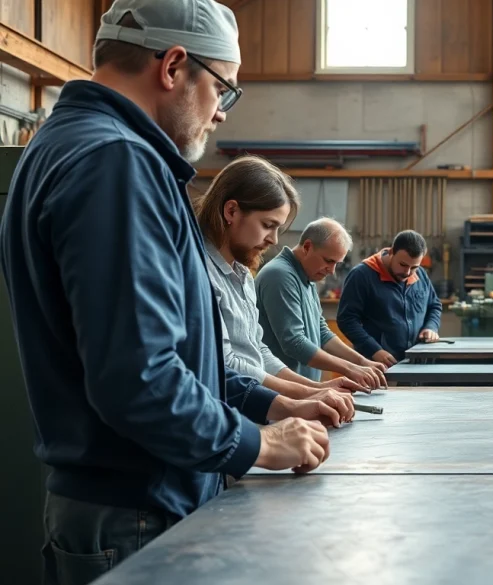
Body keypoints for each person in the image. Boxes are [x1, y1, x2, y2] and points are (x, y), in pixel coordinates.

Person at [0, 2, 340, 582]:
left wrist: (271, 403)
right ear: (174, 66)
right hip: (137, 511)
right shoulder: (116, 163)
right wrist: (257, 443)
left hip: (122, 504)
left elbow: (174, 352)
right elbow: (138, 377)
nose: (222, 114)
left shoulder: (72, 144)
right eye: (224, 90)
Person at [195, 155, 374, 401]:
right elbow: (225, 363)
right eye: (268, 225)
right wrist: (303, 395)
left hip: (254, 409)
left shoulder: (244, 275)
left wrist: (317, 389)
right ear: (232, 211)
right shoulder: (199, 272)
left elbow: (257, 351)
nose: (274, 239)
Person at [256, 218, 389, 384]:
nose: (332, 271)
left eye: (336, 263)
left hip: (303, 390)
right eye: (329, 261)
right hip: (282, 392)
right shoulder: (280, 275)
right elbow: (294, 343)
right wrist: (348, 368)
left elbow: (322, 332)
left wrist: (362, 362)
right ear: (307, 247)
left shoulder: (307, 275)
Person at [337, 230, 443, 365]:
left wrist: (431, 327)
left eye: (414, 267)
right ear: (391, 252)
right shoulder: (361, 275)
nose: (408, 272)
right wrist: (374, 350)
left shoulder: (420, 274)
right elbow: (347, 319)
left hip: (415, 364)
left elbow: (434, 305)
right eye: (403, 265)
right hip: (376, 365)